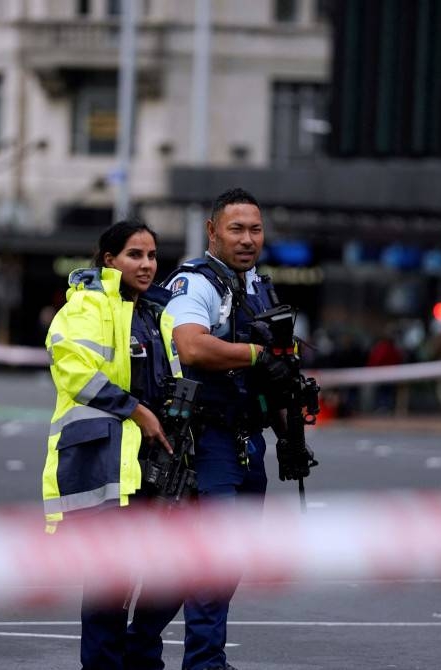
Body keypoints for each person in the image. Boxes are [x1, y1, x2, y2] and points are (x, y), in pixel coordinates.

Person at [163, 187, 305, 670]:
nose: (247, 239)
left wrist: (290, 432)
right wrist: (257, 355)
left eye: (256, 229)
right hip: (209, 440)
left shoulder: (258, 287)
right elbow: (192, 348)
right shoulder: (196, 282)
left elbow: (276, 369)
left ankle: (151, 650)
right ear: (212, 232)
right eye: (236, 229)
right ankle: (203, 664)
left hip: (250, 439)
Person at [42, 220, 181, 670]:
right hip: (106, 466)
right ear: (108, 260)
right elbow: (75, 372)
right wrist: (136, 410)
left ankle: (140, 654)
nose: (147, 264)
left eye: (152, 256)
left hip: (157, 465)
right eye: (135, 255)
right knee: (109, 585)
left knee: (174, 572)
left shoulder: (159, 312)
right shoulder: (85, 306)